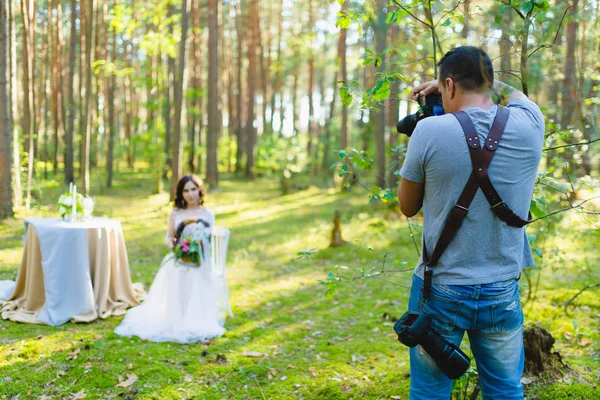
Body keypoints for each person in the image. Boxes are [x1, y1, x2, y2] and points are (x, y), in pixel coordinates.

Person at [397, 46, 544, 399]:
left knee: (430, 391)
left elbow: (407, 207)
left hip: (440, 288)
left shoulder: (429, 131)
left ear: (449, 86)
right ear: (488, 82)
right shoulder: (530, 122)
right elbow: (512, 94)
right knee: (506, 389)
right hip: (501, 289)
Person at [115, 174, 227, 343]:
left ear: (200, 190)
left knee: (193, 274)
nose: (190, 194)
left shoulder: (207, 214)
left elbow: (207, 237)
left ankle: (195, 317)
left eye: (193, 189)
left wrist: (195, 246)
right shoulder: (176, 213)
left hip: (200, 259)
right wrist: (174, 246)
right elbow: (169, 237)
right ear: (181, 193)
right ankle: (176, 317)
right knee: (178, 271)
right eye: (186, 191)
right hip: (180, 257)